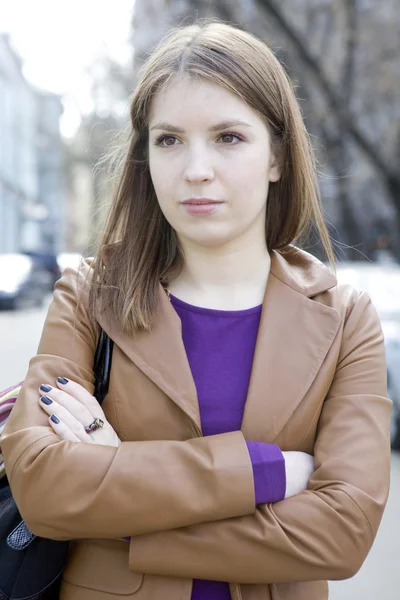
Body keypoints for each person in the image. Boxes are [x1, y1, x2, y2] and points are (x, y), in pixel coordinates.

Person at [1, 20, 391, 600]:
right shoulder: (88, 296)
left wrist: (123, 500)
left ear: (277, 157)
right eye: (169, 139)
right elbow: (46, 489)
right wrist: (268, 474)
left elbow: (342, 534)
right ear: (147, 155)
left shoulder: (346, 319)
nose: (195, 169)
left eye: (228, 137)